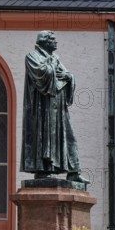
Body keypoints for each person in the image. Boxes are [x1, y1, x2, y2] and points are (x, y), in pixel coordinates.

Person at [20, 31, 88, 183]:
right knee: (45, 137)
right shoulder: (32, 57)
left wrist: (69, 77)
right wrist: (57, 73)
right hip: (42, 108)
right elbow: (42, 75)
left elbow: (66, 74)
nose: (56, 43)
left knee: (68, 137)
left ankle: (73, 172)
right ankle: (43, 170)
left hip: (58, 107)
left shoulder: (55, 57)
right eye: (53, 40)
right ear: (44, 42)